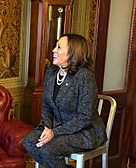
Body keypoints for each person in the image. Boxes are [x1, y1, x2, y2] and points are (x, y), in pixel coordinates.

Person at [23, 34, 107, 168]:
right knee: (29, 141)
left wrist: (55, 132)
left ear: (72, 52)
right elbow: (46, 106)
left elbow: (85, 117)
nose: (53, 51)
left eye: (59, 47)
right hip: (56, 127)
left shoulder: (85, 77)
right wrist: (47, 127)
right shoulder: (51, 72)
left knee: (49, 149)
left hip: (84, 131)